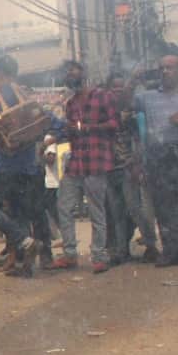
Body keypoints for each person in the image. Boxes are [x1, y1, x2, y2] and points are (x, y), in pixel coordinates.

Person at [0, 55, 49, 277]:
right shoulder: (25, 96)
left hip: (5, 167)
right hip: (28, 167)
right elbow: (48, 123)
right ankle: (23, 263)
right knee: (19, 214)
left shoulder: (2, 96)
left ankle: (24, 242)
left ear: (0, 73)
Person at [134, 52, 178, 267]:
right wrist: (132, 80)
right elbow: (122, 104)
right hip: (159, 155)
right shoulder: (147, 97)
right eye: (161, 68)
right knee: (164, 205)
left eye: (169, 67)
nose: (165, 71)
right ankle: (171, 250)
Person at [50, 61, 117, 274]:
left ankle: (99, 255)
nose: (70, 76)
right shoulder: (70, 104)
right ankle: (70, 254)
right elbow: (69, 132)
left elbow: (114, 124)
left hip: (96, 161)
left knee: (96, 210)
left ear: (83, 73)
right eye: (67, 74)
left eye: (73, 72)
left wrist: (89, 128)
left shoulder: (102, 96)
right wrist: (67, 132)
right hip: (76, 162)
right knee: (64, 206)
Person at [104, 73, 160, 265]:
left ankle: (151, 245)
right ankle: (122, 250)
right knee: (116, 212)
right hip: (110, 167)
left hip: (128, 166)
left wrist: (136, 162)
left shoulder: (130, 112)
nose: (118, 91)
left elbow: (139, 139)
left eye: (121, 87)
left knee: (134, 208)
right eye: (114, 87)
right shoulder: (103, 112)